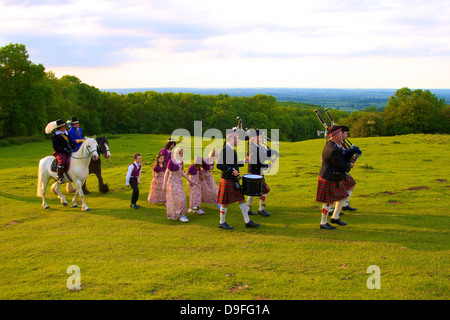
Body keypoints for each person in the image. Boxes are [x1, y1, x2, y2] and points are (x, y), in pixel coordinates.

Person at [216, 128, 259, 230]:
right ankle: (222, 222)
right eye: (237, 138)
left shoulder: (232, 150)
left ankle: (247, 221)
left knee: (241, 199)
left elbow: (233, 163)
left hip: (233, 180)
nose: (239, 140)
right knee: (225, 202)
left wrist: (244, 161)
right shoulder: (225, 150)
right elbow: (219, 165)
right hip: (227, 179)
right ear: (231, 138)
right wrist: (231, 170)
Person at [316, 126, 354, 230]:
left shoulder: (334, 145)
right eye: (341, 134)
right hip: (329, 176)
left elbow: (342, 158)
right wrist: (349, 165)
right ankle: (323, 223)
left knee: (342, 197)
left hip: (333, 176)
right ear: (335, 136)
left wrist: (350, 155)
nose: (343, 136)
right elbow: (340, 165)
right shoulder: (333, 149)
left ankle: (335, 217)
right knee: (328, 202)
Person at [163, 147, 197, 222]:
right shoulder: (171, 161)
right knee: (178, 198)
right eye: (180, 153)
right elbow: (167, 173)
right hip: (172, 182)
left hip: (179, 182)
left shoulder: (181, 161)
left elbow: (181, 172)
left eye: (182, 153)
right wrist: (164, 184)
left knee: (182, 198)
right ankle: (177, 214)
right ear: (176, 153)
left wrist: (189, 180)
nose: (182, 154)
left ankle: (181, 214)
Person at [246, 130, 273, 217]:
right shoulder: (252, 146)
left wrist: (271, 151)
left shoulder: (257, 146)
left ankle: (248, 209)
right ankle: (261, 209)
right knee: (264, 190)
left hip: (257, 172)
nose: (262, 138)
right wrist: (267, 165)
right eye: (260, 136)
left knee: (253, 191)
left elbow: (263, 156)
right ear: (255, 137)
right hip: (254, 172)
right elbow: (257, 161)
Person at [51, 119, 76, 184]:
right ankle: (60, 177)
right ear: (60, 128)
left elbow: (71, 142)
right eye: (63, 127)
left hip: (69, 151)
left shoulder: (66, 134)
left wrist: (74, 148)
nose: (65, 128)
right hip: (60, 152)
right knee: (62, 161)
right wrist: (64, 150)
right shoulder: (55, 136)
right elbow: (56, 147)